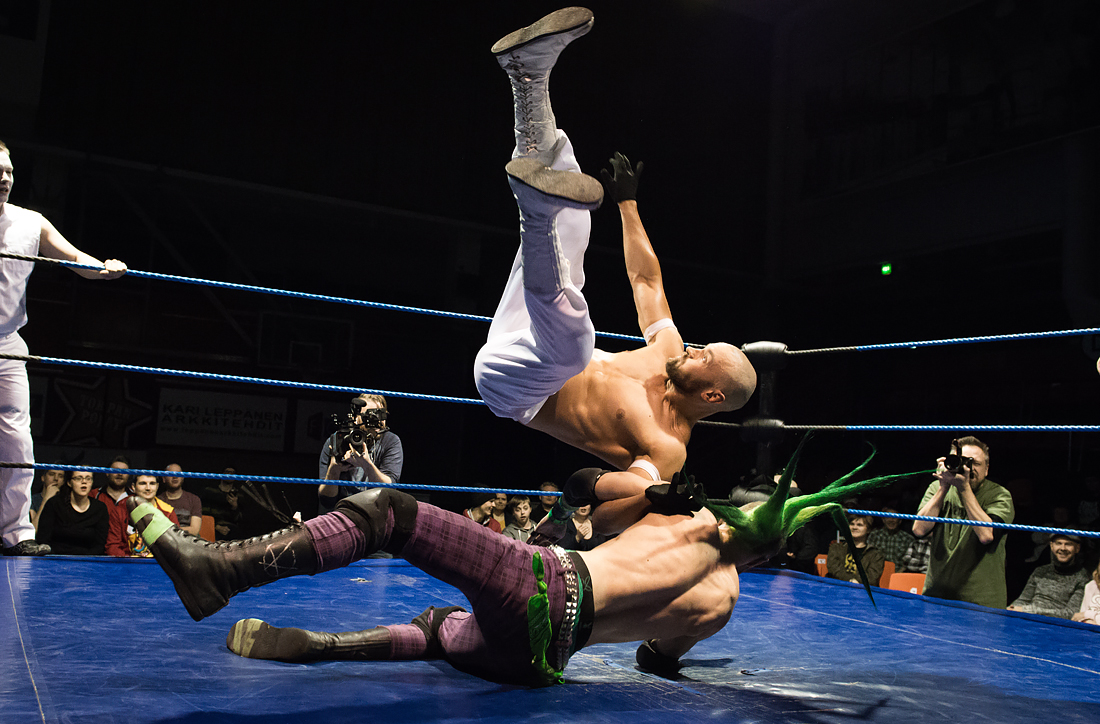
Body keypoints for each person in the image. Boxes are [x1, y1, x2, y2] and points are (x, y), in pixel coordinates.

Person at [128, 431, 920, 686]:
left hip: (540, 583)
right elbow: (654, 659)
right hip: (541, 659)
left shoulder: (688, 518)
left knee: (389, 512)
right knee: (442, 629)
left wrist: (651, 493)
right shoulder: (724, 604)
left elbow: (577, 487)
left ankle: (222, 570)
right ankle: (321, 648)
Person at [471, 7, 757, 490]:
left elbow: (627, 492)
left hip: (517, 389)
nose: (693, 347)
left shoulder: (668, 445)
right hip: (529, 338)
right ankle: (528, 76)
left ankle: (536, 207)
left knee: (576, 345)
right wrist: (627, 203)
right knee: (574, 219)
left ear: (713, 395)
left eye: (704, 355)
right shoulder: (668, 351)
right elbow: (646, 280)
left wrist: (659, 495)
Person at [0, 140, 126, 556]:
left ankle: (16, 532)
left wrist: (103, 269)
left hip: (7, 344)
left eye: (9, 171)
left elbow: (73, 257)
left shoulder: (30, 223)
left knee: (18, 443)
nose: (4, 178)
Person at [912, 436, 1015, 608]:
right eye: (963, 461)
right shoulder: (936, 488)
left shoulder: (999, 495)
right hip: (937, 594)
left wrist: (964, 487)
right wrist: (943, 487)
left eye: (975, 463)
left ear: (987, 469)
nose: (968, 468)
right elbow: (919, 530)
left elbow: (986, 535)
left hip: (981, 601)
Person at [318, 394, 403, 514]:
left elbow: (390, 490)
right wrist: (334, 470)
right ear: (356, 417)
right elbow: (326, 501)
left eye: (381, 414)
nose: (378, 421)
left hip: (375, 514)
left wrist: (366, 464)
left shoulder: (391, 441)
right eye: (371, 415)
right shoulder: (337, 440)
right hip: (341, 512)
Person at [1008, 533, 1091, 619]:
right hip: (1028, 618)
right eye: (1058, 543)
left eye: (1068, 544)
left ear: (1077, 548)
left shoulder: (1083, 578)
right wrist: (1012, 608)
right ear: (1051, 546)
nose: (1063, 548)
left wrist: (1028, 611)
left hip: (1054, 623)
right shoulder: (1040, 571)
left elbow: (1070, 613)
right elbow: (1023, 600)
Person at [33, 470, 108, 555]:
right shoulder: (54, 504)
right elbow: (43, 539)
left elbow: (100, 545)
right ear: (69, 483)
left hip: (87, 560)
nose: (84, 482)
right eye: (78, 478)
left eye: (88, 478)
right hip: (56, 558)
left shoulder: (100, 508)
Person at [106, 474, 177, 557]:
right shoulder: (120, 510)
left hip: (156, 563)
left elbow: (175, 547)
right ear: (133, 487)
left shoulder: (167, 511)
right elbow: (113, 546)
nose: (148, 488)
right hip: (127, 562)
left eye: (152, 483)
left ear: (157, 486)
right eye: (143, 483)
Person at [826, 513, 885, 585]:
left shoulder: (876, 555)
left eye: (859, 525)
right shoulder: (836, 548)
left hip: (861, 589)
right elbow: (834, 569)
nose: (854, 527)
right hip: (837, 587)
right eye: (852, 524)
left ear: (868, 530)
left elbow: (872, 577)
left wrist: (857, 581)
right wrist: (851, 580)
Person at [158, 463, 202, 537]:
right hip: (166, 540)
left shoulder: (194, 499)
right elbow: (157, 529)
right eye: (171, 474)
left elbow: (194, 530)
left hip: (189, 540)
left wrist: (169, 531)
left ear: (182, 477)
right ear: (164, 479)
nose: (175, 477)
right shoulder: (158, 501)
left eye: (178, 474)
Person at [199, 468, 242, 541]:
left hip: (231, 530)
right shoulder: (210, 491)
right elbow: (203, 514)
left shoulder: (238, 495)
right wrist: (216, 527)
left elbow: (241, 521)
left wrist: (234, 506)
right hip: (212, 527)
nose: (230, 474)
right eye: (227, 472)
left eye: (232, 473)